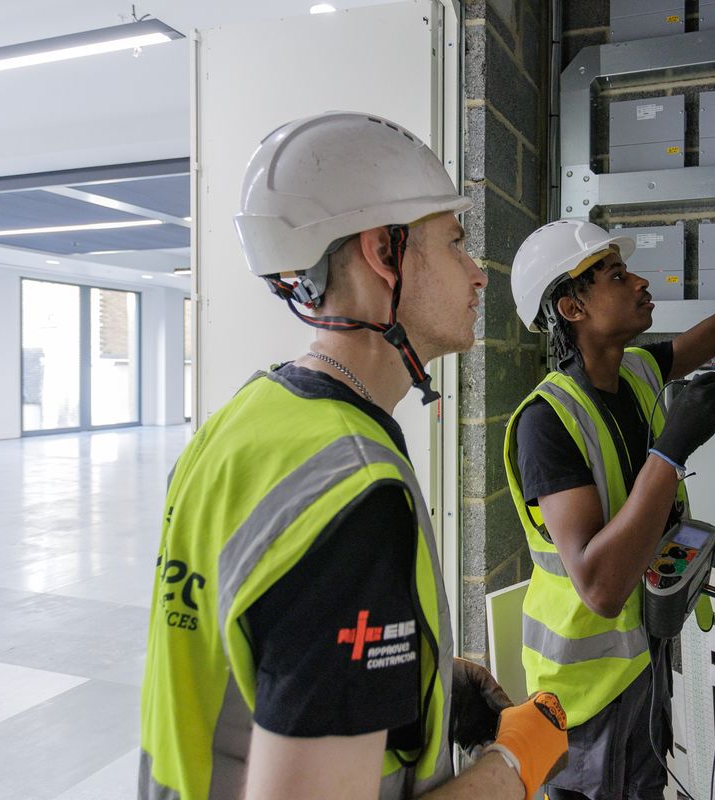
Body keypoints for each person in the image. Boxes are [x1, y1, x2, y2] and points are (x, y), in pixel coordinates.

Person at [139, 111, 568, 800]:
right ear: (383, 253)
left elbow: (259, 650)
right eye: (456, 243)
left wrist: (418, 678)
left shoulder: (242, 422)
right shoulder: (352, 491)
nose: (477, 273)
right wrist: (513, 764)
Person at [503, 137, 715, 799]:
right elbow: (599, 585)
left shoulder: (633, 372)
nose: (640, 281)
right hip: (583, 701)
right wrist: (669, 451)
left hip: (639, 659)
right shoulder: (547, 424)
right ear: (571, 308)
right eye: (613, 275)